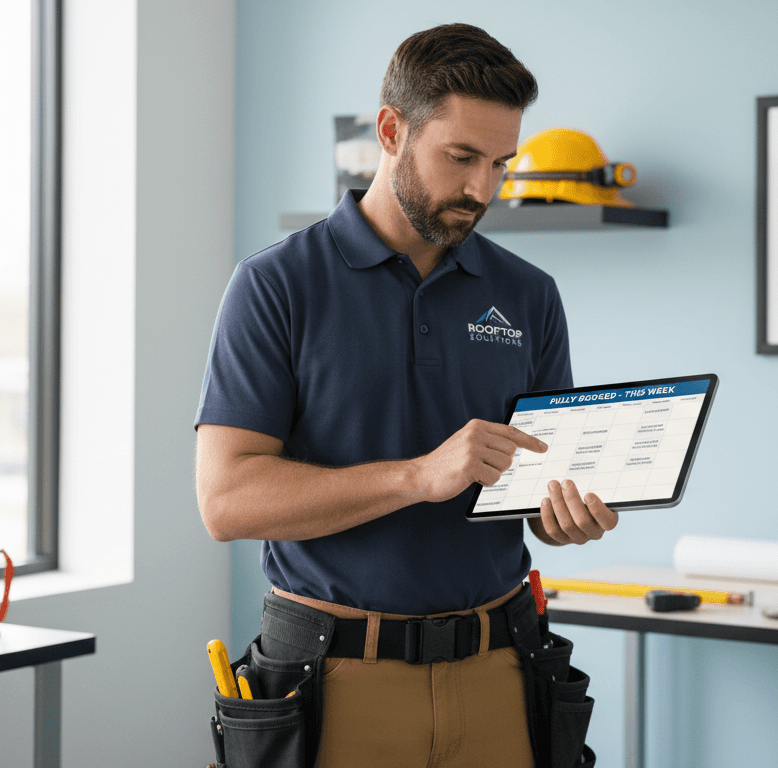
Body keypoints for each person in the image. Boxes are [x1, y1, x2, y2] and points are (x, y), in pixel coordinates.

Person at [195, 23, 613, 768]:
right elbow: (227, 502)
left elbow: (542, 490)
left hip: (501, 669)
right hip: (332, 679)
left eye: (500, 163)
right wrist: (419, 476)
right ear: (392, 131)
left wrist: (566, 517)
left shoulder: (529, 294)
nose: (484, 189)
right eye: (461, 158)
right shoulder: (275, 286)